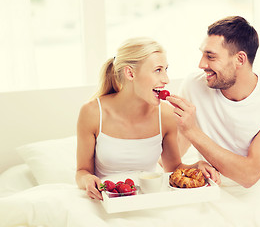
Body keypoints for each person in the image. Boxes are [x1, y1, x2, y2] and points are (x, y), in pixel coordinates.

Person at [76, 37, 219, 200]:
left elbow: (173, 168)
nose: (166, 79)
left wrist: (196, 167)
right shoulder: (92, 112)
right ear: (130, 73)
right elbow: (82, 171)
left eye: (166, 69)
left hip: (148, 199)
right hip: (107, 200)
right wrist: (87, 180)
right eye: (158, 70)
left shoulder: (165, 115)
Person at [167, 16, 260, 188]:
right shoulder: (194, 86)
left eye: (211, 57)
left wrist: (192, 131)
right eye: (202, 54)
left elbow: (249, 175)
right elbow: (172, 158)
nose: (201, 64)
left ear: (240, 59)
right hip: (211, 187)